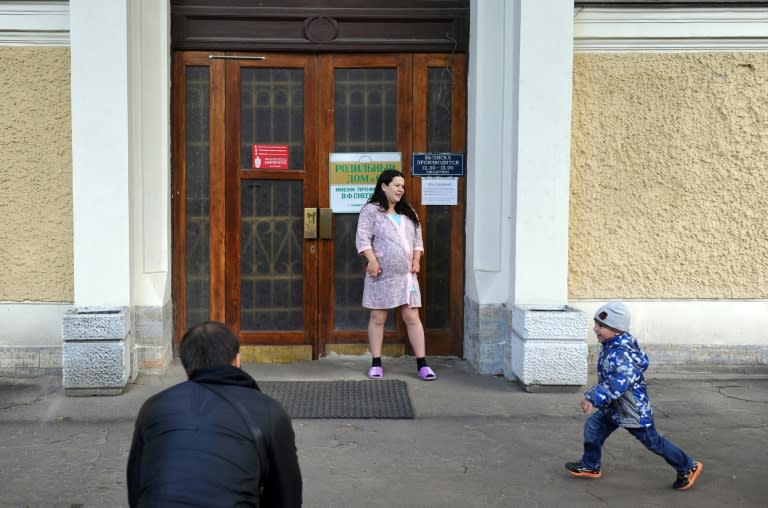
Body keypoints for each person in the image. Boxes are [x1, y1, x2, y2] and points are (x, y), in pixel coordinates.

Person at [127, 321, 302, 507]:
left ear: (187, 371)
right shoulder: (269, 410)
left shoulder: (154, 406)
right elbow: (287, 495)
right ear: (237, 361)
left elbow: (136, 486)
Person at [565, 301, 702, 491]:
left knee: (654, 442)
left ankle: (688, 466)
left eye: (601, 326)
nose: (595, 328)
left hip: (632, 410)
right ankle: (590, 465)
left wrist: (593, 397)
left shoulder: (620, 353)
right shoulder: (613, 343)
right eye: (596, 323)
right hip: (615, 406)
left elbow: (618, 382)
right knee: (593, 427)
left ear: (617, 329)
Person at [355, 169, 436, 381]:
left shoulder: (409, 212)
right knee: (378, 317)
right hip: (380, 274)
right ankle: (376, 363)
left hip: (406, 276)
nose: (401, 189)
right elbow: (363, 239)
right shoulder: (371, 211)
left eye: (403, 186)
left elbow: (418, 241)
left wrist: (417, 260)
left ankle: (422, 364)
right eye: (397, 185)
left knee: (412, 317)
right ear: (384, 186)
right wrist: (372, 260)